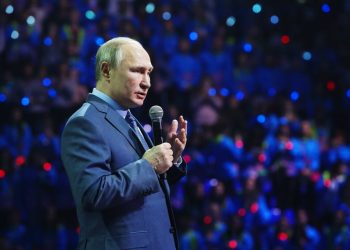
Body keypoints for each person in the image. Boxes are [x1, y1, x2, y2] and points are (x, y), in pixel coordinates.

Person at [61, 37, 187, 250]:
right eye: (137, 71)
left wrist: (170, 161)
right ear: (107, 71)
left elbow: (147, 185)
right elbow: (93, 193)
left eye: (149, 72)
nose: (147, 82)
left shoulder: (127, 117)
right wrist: (149, 166)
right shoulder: (84, 122)